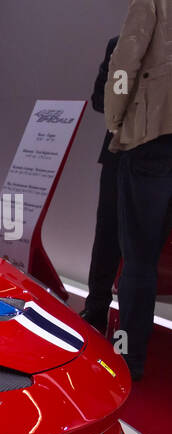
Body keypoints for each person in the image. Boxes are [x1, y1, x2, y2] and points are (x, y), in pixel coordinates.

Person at [105, 0, 172, 380]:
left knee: (139, 259)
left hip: (152, 137)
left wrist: (115, 120)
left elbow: (125, 64)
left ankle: (128, 356)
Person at [81, 36, 121, 334]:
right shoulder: (118, 45)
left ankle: (122, 324)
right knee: (111, 236)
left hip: (150, 157)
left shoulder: (122, 45)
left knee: (134, 244)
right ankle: (97, 312)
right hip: (122, 154)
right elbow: (99, 101)